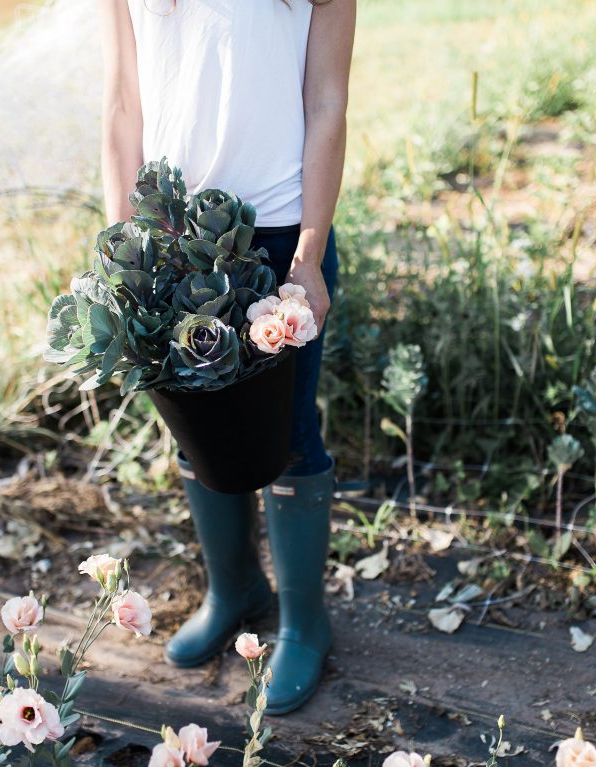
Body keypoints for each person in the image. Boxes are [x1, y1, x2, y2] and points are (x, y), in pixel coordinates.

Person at [98, 0, 355, 715]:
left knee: (288, 433)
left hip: (277, 235)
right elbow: (123, 105)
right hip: (168, 235)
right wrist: (122, 247)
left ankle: (305, 624)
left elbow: (328, 102)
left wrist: (308, 254)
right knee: (196, 422)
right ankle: (234, 588)